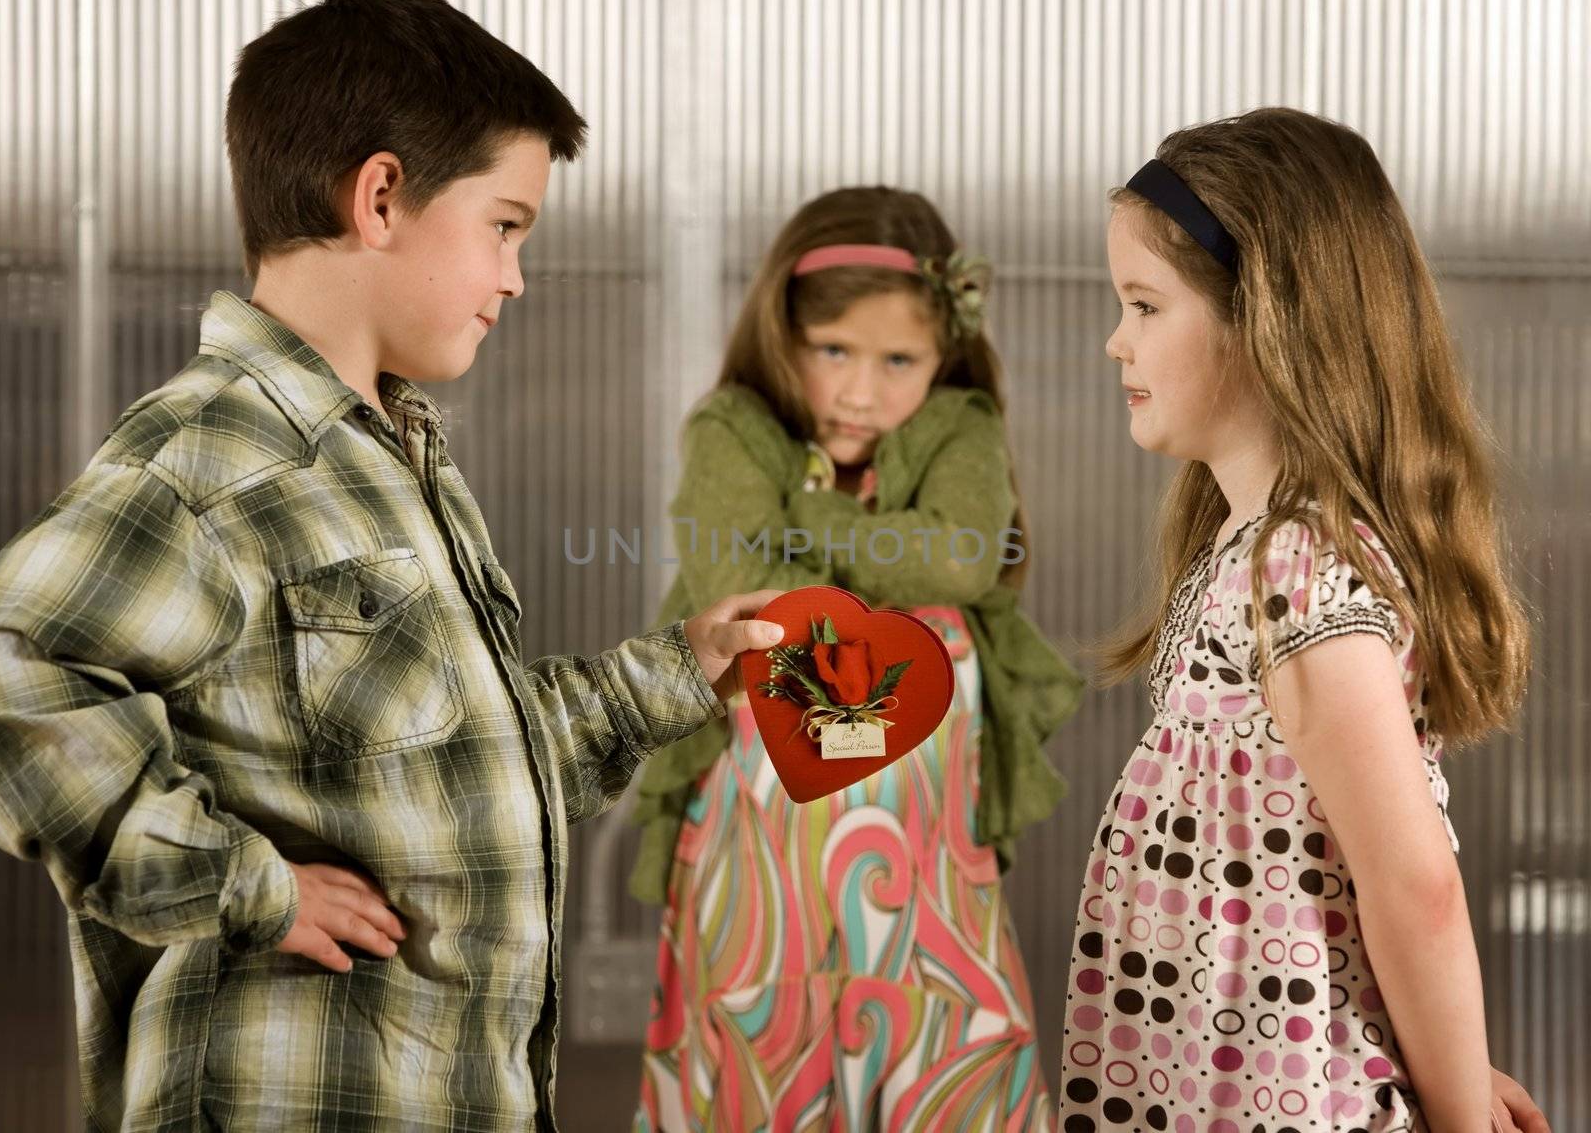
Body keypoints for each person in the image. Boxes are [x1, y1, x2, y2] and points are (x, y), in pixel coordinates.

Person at [0, 0, 783, 1130]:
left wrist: (675, 672)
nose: (514, 274)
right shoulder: (220, 453)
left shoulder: (397, 460)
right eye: (504, 226)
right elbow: (13, 661)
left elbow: (450, 772)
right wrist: (237, 882)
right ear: (380, 198)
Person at [1059, 106, 1547, 1132]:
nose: (1116, 340)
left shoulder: (1297, 568)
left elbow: (1410, 884)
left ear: (1263, 316)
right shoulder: (1246, 552)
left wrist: (1458, 1111)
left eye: (1145, 305)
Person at [631, 185, 1084, 1130]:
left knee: (939, 1064)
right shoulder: (733, 426)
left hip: (927, 880)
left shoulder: (959, 427)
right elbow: (737, 574)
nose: (860, 390)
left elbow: (962, 555)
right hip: (763, 867)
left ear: (943, 354)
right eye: (832, 351)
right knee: (761, 1046)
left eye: (898, 360)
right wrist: (885, 545)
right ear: (782, 329)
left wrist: (802, 518)